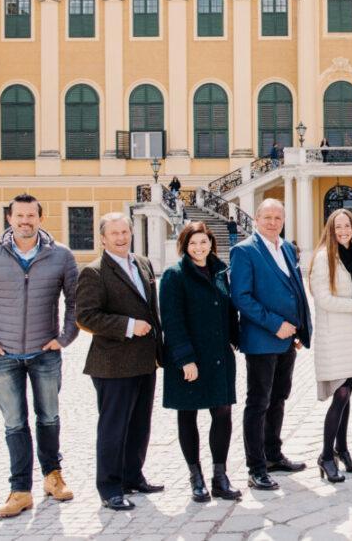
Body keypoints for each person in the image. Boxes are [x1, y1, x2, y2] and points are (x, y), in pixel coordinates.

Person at [0, 193, 78, 519]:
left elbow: (75, 301)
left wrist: (65, 337)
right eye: (19, 216)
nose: (25, 221)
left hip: (45, 353)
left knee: (49, 417)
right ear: (9, 219)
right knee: (14, 424)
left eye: (31, 216)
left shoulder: (61, 257)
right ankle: (20, 490)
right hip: (3, 355)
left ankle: (53, 477)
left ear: (40, 218)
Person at [76, 212, 163, 511]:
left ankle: (132, 476)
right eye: (114, 233)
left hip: (144, 360)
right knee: (113, 428)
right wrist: (128, 326)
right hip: (112, 363)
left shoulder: (143, 263)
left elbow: (152, 309)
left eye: (124, 232)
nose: (121, 237)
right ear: (103, 238)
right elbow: (86, 317)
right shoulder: (94, 272)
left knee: (140, 424)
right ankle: (110, 487)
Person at [230, 198, 311, 492]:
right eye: (267, 217)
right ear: (256, 218)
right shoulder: (244, 251)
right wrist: (275, 324)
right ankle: (256, 467)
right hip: (262, 339)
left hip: (288, 340)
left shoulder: (287, 248)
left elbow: (296, 291)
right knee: (258, 402)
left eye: (278, 217)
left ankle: (273, 454)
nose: (273, 222)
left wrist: (300, 329)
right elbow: (242, 297)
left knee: (279, 397)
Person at [159, 222, 242, 503]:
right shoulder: (174, 276)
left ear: (210, 243)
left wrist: (234, 338)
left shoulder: (220, 271)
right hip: (190, 359)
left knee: (222, 413)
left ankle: (220, 476)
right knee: (188, 414)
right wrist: (185, 359)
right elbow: (172, 321)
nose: (199, 248)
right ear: (185, 245)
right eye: (193, 243)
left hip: (219, 357)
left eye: (203, 242)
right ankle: (196, 476)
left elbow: (229, 309)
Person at [309, 208, 352, 483]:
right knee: (341, 393)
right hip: (335, 334)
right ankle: (326, 455)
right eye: (338, 226)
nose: (343, 230)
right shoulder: (325, 258)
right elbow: (322, 298)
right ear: (330, 229)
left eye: (347, 225)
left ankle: (342, 450)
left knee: (347, 394)